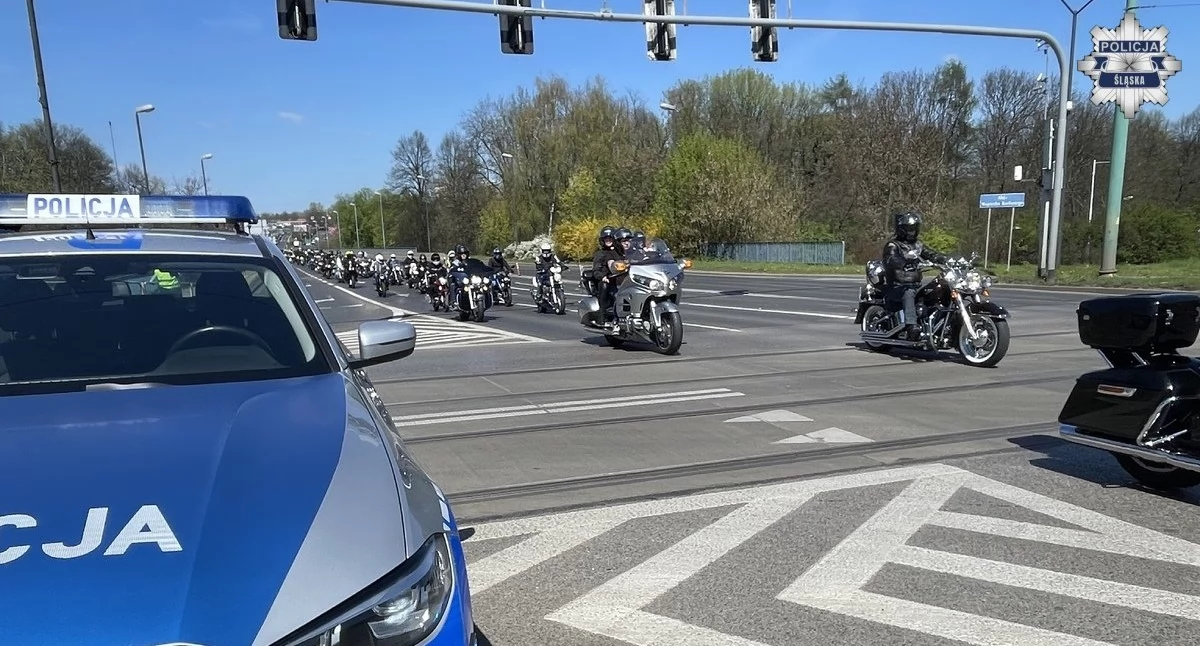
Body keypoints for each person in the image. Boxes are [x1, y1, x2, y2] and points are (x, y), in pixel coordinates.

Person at [882, 210, 947, 341]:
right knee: (909, 292)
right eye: (909, 228)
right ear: (902, 229)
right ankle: (911, 326)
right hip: (897, 286)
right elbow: (891, 259)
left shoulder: (918, 244)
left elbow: (930, 253)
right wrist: (904, 263)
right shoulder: (893, 245)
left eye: (914, 228)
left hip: (915, 284)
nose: (912, 231)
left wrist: (943, 259)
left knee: (938, 288)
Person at [591, 226, 623, 324]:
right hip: (608, 280)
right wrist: (602, 276)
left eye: (610, 238)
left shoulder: (620, 252)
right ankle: (602, 313)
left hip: (621, 279)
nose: (608, 240)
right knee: (604, 285)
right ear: (602, 240)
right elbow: (596, 269)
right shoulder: (600, 253)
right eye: (606, 239)